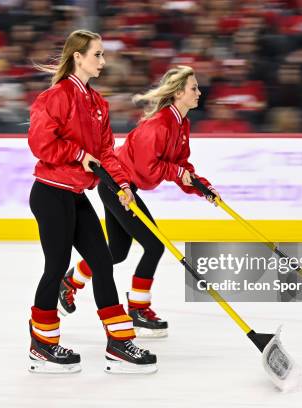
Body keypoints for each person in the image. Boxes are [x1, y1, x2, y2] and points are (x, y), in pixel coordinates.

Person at [27, 29, 157, 374]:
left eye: (102, 54)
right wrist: (76, 152)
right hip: (50, 192)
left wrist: (123, 184)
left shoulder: (98, 104)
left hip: (75, 194)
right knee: (56, 267)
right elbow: (41, 145)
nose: (103, 61)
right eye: (97, 54)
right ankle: (42, 342)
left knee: (102, 262)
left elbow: (105, 154)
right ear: (78, 57)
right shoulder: (54, 97)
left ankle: (118, 342)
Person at [58, 66, 219, 337]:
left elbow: (179, 166)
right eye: (194, 88)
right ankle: (138, 308)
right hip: (117, 187)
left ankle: (70, 282)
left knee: (117, 253)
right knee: (154, 246)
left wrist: (201, 186)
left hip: (125, 188)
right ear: (178, 93)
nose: (199, 92)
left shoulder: (182, 124)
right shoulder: (158, 124)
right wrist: (178, 172)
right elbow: (148, 168)